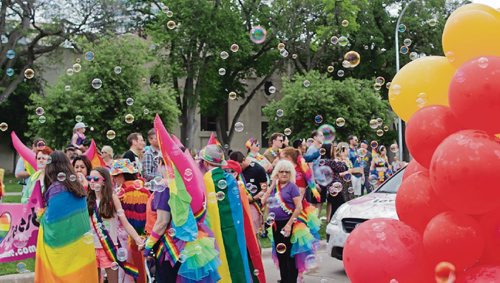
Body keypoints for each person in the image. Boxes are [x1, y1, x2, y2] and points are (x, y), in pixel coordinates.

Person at [35, 151, 98, 282]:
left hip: (64, 251)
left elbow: (53, 224)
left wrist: (40, 215)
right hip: (81, 246)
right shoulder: (76, 186)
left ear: (51, 167)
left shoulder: (56, 189)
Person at [200, 144, 256, 282]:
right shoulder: (231, 179)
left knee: (220, 264)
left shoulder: (204, 181)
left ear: (206, 162)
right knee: (236, 261)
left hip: (213, 232)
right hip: (235, 229)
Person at [261, 160, 318, 283]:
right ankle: (284, 279)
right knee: (280, 254)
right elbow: (263, 200)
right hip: (275, 224)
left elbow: (299, 208)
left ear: (290, 173)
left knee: (289, 255)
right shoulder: (274, 187)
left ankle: (291, 280)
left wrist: (288, 225)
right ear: (277, 173)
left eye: (287, 172)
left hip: (289, 224)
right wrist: (272, 184)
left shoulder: (292, 187)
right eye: (281, 172)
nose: (284, 174)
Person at [87, 167, 144, 283]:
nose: (92, 181)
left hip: (109, 247)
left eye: (96, 179)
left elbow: (125, 223)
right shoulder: (87, 199)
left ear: (104, 181)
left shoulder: (112, 198)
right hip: (90, 248)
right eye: (89, 178)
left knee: (113, 280)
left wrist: (138, 239)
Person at [110, 159, 150, 283]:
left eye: (115, 176)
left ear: (122, 175)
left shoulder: (129, 192)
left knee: (134, 272)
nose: (114, 179)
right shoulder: (141, 188)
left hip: (131, 238)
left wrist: (137, 238)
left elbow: (136, 220)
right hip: (137, 236)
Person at [229, 151, 267, 235]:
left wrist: (253, 198)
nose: (238, 168)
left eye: (240, 165)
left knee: (252, 233)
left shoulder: (258, 169)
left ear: (244, 160)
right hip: (239, 206)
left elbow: (264, 189)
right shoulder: (233, 171)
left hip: (253, 205)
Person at [325, 145, 350, 223]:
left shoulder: (327, 161)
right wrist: (342, 160)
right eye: (333, 149)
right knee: (338, 205)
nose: (335, 151)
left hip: (333, 186)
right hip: (334, 186)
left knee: (335, 205)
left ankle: (332, 221)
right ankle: (334, 221)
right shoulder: (331, 161)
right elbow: (343, 168)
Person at [304, 130, 326, 215]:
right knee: (313, 203)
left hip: (321, 179)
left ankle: (317, 222)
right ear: (315, 138)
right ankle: (312, 223)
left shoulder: (319, 149)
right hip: (315, 180)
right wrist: (314, 184)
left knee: (320, 202)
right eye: (320, 135)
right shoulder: (312, 149)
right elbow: (310, 167)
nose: (322, 137)